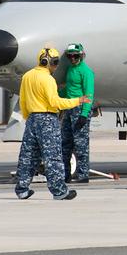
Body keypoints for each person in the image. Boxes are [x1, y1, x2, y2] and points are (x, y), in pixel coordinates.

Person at [14, 47, 89, 200]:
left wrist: (29, 117)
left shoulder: (27, 76)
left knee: (28, 156)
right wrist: (77, 101)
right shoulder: (48, 79)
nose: (55, 66)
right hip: (47, 119)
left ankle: (22, 189)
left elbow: (22, 100)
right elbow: (55, 103)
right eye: (55, 63)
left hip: (32, 119)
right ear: (48, 62)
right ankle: (59, 191)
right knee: (53, 156)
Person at [60, 43, 95, 183]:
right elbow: (68, 89)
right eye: (70, 56)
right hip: (69, 107)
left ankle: (83, 174)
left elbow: (89, 94)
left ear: (81, 55)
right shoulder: (70, 69)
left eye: (75, 56)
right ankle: (66, 174)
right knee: (65, 142)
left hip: (80, 108)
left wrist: (84, 114)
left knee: (81, 144)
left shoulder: (86, 71)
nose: (72, 58)